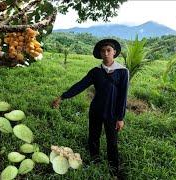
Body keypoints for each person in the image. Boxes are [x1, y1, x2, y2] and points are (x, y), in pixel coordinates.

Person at [52, 38, 129, 176]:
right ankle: (95, 160)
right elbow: (80, 85)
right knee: (93, 137)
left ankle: (114, 168)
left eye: (108, 50)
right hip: (96, 110)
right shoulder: (95, 72)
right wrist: (63, 96)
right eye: (103, 51)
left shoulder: (122, 72)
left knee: (112, 141)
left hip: (112, 113)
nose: (106, 53)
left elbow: (123, 97)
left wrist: (120, 117)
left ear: (114, 52)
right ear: (100, 53)